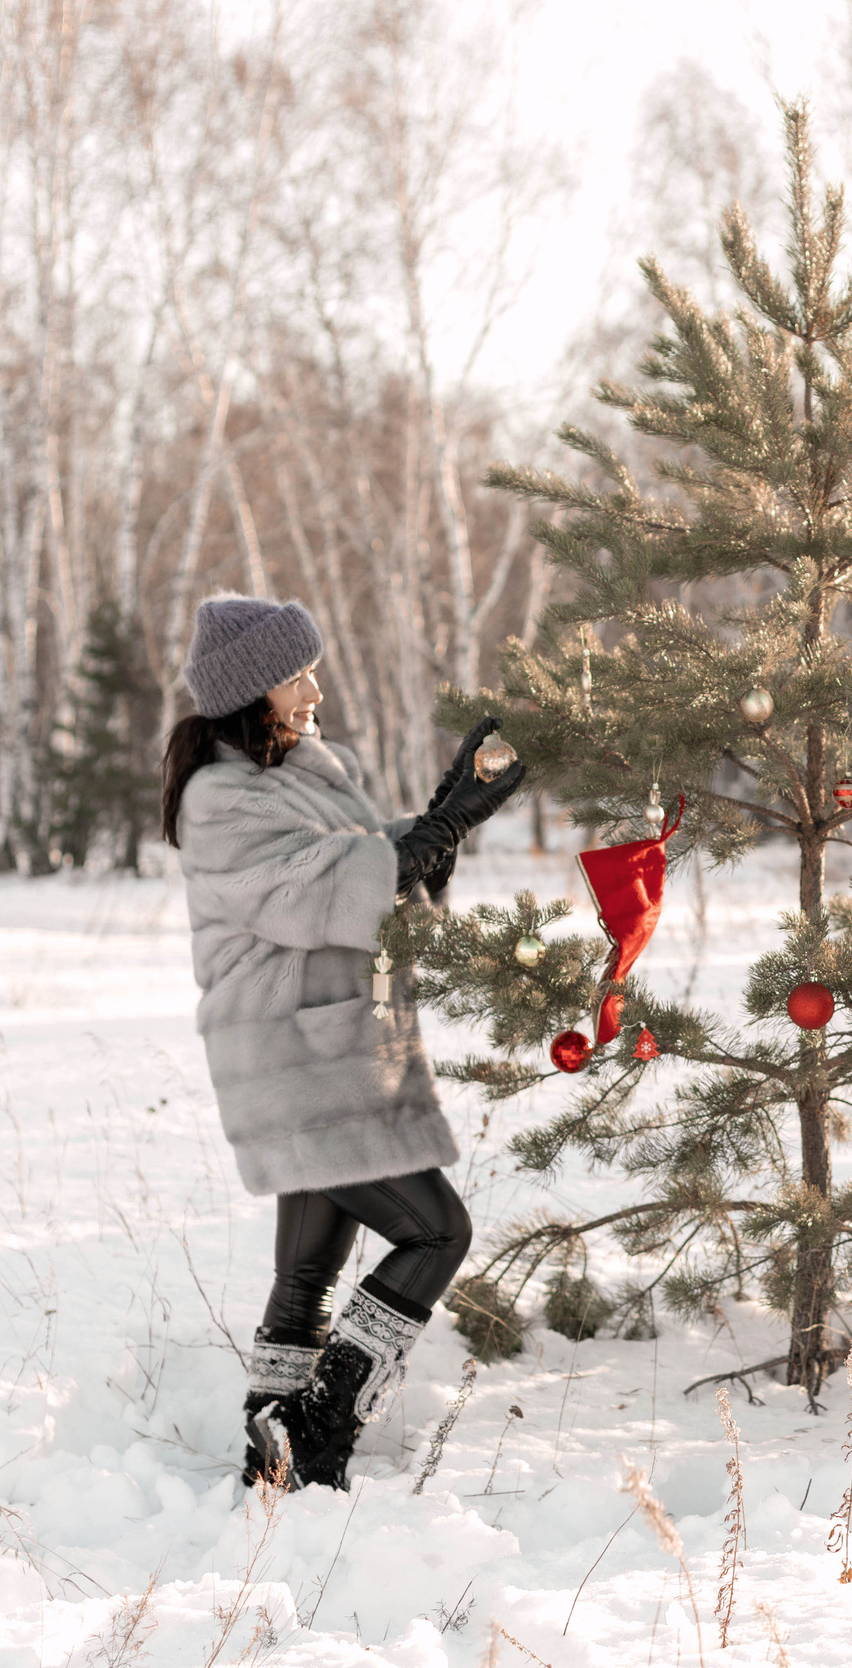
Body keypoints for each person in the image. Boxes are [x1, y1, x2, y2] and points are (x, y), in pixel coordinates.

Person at [159, 593, 523, 1490]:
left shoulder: (301, 770)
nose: (316, 688)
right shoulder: (219, 798)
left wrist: (444, 807)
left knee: (311, 1271)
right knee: (437, 1230)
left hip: (331, 1045)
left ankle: (272, 1445)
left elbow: (365, 860)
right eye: (298, 675)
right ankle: (320, 1427)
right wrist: (445, 825)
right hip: (299, 1059)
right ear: (254, 691)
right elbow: (319, 887)